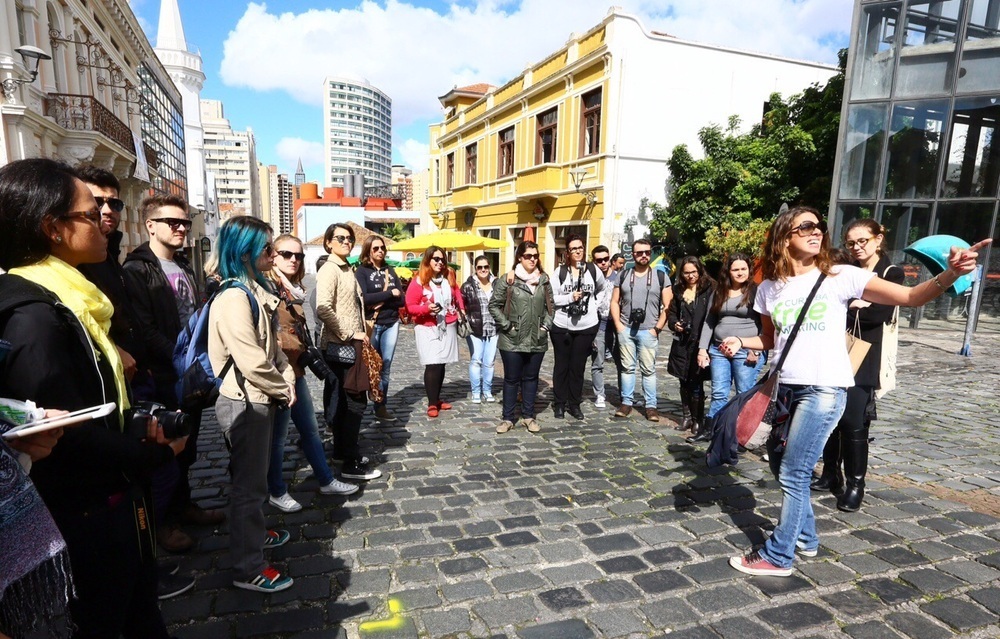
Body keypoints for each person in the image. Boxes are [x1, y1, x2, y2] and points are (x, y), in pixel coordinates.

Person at [723, 205, 989, 577]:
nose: (816, 231)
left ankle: (779, 556)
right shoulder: (769, 288)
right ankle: (806, 538)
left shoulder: (841, 276)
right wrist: (740, 339)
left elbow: (911, 297)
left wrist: (950, 274)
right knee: (784, 464)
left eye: (818, 226)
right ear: (785, 238)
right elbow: (770, 339)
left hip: (825, 390)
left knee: (794, 473)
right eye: (805, 227)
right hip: (785, 389)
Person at [0, 158, 184, 636]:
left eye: (111, 206)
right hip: (87, 515)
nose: (108, 219)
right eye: (91, 210)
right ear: (53, 228)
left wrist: (134, 427)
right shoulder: (36, 317)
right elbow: (60, 435)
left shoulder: (71, 297)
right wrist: (150, 454)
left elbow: (92, 404)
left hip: (113, 498)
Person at [124, 194, 223, 554]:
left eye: (184, 222)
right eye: (173, 222)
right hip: (164, 374)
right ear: (150, 225)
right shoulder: (137, 270)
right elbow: (144, 328)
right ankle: (162, 523)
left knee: (189, 446)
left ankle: (184, 506)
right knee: (164, 451)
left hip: (188, 373)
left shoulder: (183, 265)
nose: (181, 228)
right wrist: (182, 358)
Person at [208, 216, 297, 593]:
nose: (273, 253)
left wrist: (286, 375)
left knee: (254, 481)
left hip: (261, 396)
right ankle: (248, 567)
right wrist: (283, 386)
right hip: (246, 403)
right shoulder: (233, 296)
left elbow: (271, 349)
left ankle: (254, 535)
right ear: (244, 252)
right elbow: (250, 359)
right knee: (248, 486)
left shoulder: (251, 288)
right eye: (267, 248)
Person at [811, 220, 904, 512]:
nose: (857, 247)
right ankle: (830, 473)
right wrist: (855, 302)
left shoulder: (891, 273)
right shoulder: (844, 270)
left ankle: (856, 484)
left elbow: (879, 314)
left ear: (878, 239)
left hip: (865, 356)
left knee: (853, 421)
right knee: (829, 417)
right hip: (833, 351)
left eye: (863, 241)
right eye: (851, 243)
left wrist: (852, 304)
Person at [267, 234, 358, 515]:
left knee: (310, 430)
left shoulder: (291, 289)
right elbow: (275, 336)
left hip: (296, 372)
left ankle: (326, 479)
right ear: (273, 255)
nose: (293, 259)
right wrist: (300, 348)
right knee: (279, 438)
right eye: (286, 254)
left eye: (299, 255)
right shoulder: (269, 288)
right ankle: (276, 491)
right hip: (279, 374)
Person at [316, 223, 382, 481]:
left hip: (352, 345)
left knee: (348, 403)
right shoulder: (330, 270)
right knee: (353, 402)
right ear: (329, 243)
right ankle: (349, 462)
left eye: (349, 238)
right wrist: (349, 333)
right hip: (339, 347)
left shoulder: (347, 268)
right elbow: (323, 308)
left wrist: (364, 328)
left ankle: (344, 452)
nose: (346, 241)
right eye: (340, 238)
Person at [695, 253, 767, 442]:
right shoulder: (719, 291)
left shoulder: (755, 291)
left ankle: (740, 433)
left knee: (743, 392)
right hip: (719, 350)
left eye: (744, 268)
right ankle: (712, 429)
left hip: (745, 350)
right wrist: (703, 349)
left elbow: (764, 324)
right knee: (718, 391)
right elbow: (709, 321)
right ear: (728, 271)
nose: (740, 272)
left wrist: (756, 350)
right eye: (735, 269)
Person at [489, 241, 554, 434]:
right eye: (528, 256)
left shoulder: (544, 280)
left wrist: (545, 326)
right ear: (520, 257)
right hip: (512, 339)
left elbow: (551, 307)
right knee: (511, 379)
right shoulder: (508, 280)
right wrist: (507, 326)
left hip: (537, 338)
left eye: (535, 255)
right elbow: (494, 305)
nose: (533, 259)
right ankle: (508, 418)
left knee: (531, 378)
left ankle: (528, 416)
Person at [610, 238, 672, 422]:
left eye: (646, 252)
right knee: (627, 368)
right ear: (633, 254)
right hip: (626, 329)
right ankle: (626, 402)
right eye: (639, 252)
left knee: (648, 370)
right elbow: (614, 301)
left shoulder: (661, 276)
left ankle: (651, 406)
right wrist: (619, 326)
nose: (643, 255)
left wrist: (657, 328)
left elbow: (668, 305)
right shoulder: (623, 275)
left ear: (650, 252)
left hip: (649, 330)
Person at [550, 234, 606, 420]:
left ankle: (574, 404)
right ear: (567, 252)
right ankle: (559, 403)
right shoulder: (560, 272)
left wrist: (594, 306)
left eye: (580, 247)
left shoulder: (593, 270)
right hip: (562, 325)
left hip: (586, 326)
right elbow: (551, 298)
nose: (577, 251)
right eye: (573, 248)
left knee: (577, 367)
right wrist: (569, 298)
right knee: (561, 366)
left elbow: (602, 288)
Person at [405, 246, 465, 417]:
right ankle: (432, 403)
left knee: (441, 362)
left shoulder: (449, 277)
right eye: (436, 259)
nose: (440, 262)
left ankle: (437, 398)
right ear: (428, 261)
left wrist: (461, 308)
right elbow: (410, 306)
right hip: (427, 326)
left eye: (442, 259)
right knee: (432, 362)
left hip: (448, 324)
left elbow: (457, 293)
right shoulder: (418, 281)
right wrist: (426, 308)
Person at [355, 235, 404, 421]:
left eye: (382, 248)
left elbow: (402, 299)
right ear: (368, 250)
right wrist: (389, 293)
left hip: (391, 322)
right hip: (372, 324)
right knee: (372, 365)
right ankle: (368, 398)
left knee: (386, 364)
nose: (380, 251)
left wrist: (381, 298)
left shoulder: (389, 270)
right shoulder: (362, 272)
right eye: (375, 248)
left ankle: (380, 405)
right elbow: (363, 299)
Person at [666, 256, 713, 435]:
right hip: (682, 342)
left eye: (694, 272)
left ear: (700, 271)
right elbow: (672, 313)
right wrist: (675, 324)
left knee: (696, 382)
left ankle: (698, 419)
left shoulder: (710, 289)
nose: (691, 276)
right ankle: (686, 416)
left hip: (700, 342)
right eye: (687, 273)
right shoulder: (678, 290)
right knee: (682, 380)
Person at [460, 255, 498, 403]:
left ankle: (487, 390)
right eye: (479, 267)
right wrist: (462, 316)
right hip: (475, 328)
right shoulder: (468, 286)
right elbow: (460, 303)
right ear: (475, 269)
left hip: (493, 328)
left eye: (485, 267)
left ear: (489, 268)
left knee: (489, 362)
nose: (483, 270)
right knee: (476, 360)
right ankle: (476, 391)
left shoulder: (496, 284)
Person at [590, 245, 617, 409]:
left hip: (616, 323)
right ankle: (599, 394)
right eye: (599, 260)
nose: (603, 263)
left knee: (622, 362)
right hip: (598, 323)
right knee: (598, 361)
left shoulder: (618, 277)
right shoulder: (590, 278)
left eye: (606, 259)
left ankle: (624, 395)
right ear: (594, 261)